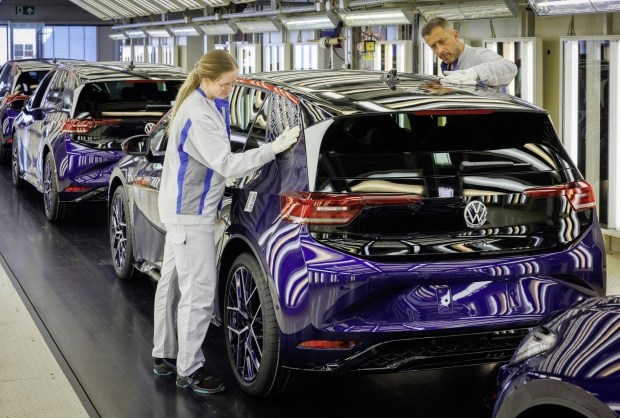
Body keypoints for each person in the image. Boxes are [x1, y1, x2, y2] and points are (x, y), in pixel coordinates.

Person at [151, 49, 300, 395]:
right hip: (191, 216)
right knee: (199, 295)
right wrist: (273, 148)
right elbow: (226, 163)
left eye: (233, 83)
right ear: (207, 80)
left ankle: (165, 355)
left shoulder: (206, 101)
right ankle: (188, 370)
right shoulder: (196, 112)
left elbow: (217, 156)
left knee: (172, 286)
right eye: (226, 84)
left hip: (182, 210)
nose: (230, 90)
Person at [421, 17, 517, 88]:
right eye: (433, 46)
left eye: (442, 41)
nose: (440, 50)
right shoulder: (446, 66)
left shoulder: (479, 55)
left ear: (455, 36)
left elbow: (509, 67)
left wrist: (475, 73)